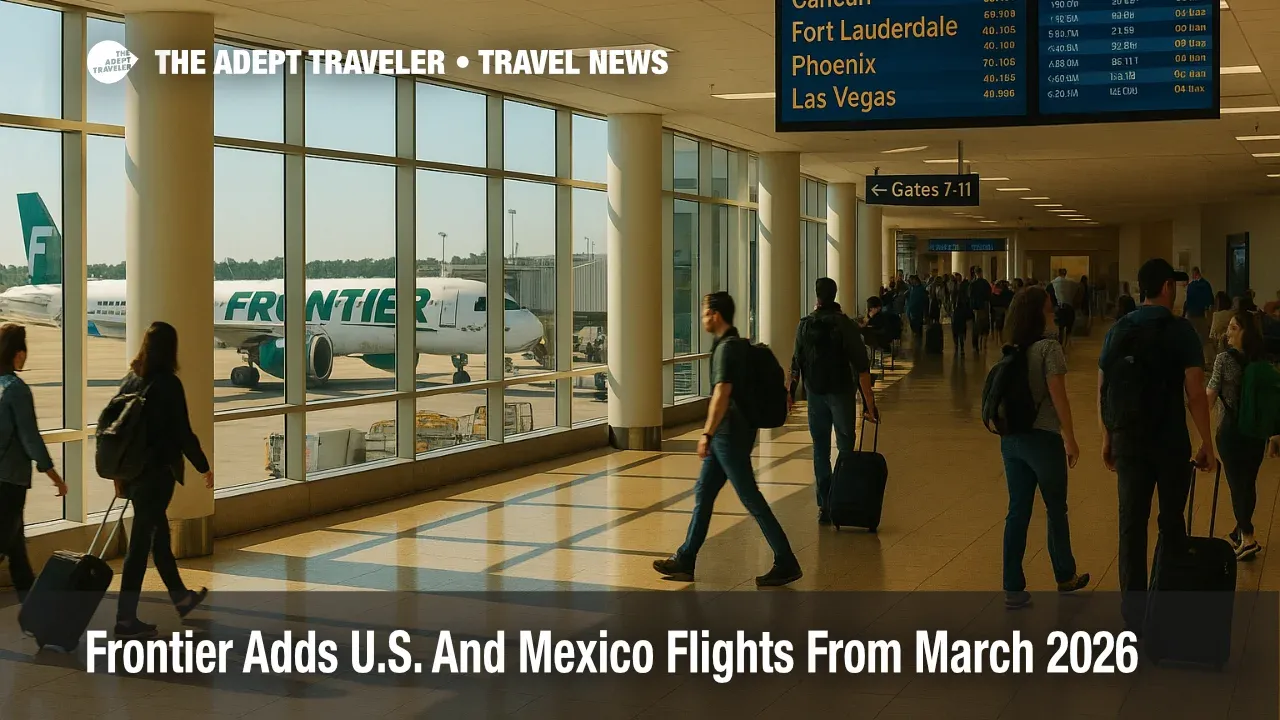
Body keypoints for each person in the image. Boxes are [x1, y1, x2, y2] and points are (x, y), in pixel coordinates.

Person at [1098, 259, 1215, 634]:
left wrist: (1107, 438)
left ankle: (1132, 616)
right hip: (1169, 444)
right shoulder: (1181, 332)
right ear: (1167, 287)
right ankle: (1166, 608)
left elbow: (1104, 389)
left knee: (1131, 525)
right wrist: (1207, 442)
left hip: (1129, 441)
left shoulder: (1119, 330)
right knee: (1171, 524)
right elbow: (1196, 394)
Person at [655, 292, 802, 587]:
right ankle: (686, 558)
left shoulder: (726, 349)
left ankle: (786, 560)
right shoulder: (740, 345)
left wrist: (706, 433)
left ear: (716, 315)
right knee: (704, 493)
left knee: (750, 497)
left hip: (728, 434)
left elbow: (722, 393)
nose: (703, 317)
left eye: (705, 312)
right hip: (738, 430)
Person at [114, 321, 213, 640]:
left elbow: (116, 431)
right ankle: (125, 619)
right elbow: (183, 433)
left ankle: (181, 598)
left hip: (132, 473)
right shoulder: (168, 384)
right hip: (156, 476)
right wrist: (203, 466)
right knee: (141, 545)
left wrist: (118, 475)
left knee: (157, 538)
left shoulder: (132, 379)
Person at [1000, 288, 1090, 609]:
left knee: (1018, 510)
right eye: (1049, 309)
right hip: (1043, 439)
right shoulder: (1049, 348)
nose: (1054, 313)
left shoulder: (1012, 348)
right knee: (1056, 507)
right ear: (1039, 313)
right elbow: (1058, 397)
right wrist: (1070, 436)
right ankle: (1064, 574)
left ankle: (1012, 585)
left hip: (1011, 440)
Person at [789, 279, 880, 525]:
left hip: (815, 394)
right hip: (841, 393)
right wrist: (870, 406)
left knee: (819, 448)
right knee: (845, 447)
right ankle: (844, 499)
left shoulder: (805, 324)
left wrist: (790, 393)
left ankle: (825, 505)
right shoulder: (846, 325)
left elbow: (796, 362)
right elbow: (862, 367)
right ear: (835, 294)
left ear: (817, 296)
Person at [0, 324, 66, 604]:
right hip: (9, 479)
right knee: (6, 542)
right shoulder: (16, 389)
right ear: (17, 354)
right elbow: (30, 439)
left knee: (16, 547)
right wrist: (55, 476)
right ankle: (35, 609)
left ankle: (34, 609)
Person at [1206, 310, 1269, 561]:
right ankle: (1240, 532)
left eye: (1232, 328)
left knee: (1237, 485)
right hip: (1256, 432)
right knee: (1247, 483)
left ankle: (1249, 536)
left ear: (1244, 332)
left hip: (1231, 432)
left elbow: (1210, 396)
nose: (1226, 333)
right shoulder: (1262, 361)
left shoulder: (1223, 360)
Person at [1184, 266, 1214, 348]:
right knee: (1203, 338)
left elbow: (1188, 300)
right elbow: (1210, 300)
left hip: (1191, 313)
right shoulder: (1206, 285)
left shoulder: (1191, 286)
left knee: (1191, 336)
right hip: (1201, 313)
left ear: (1194, 274)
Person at [1050, 269, 1080, 346]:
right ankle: (1066, 344)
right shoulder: (1071, 282)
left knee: (1060, 327)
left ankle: (1060, 344)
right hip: (1069, 307)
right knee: (1069, 327)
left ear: (1058, 273)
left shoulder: (1053, 283)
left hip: (1059, 307)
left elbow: (1050, 295)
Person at [969, 268, 992, 351]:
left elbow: (971, 297)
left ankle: (975, 346)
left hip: (977, 308)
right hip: (985, 307)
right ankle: (983, 344)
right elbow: (989, 295)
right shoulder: (985, 283)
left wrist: (972, 308)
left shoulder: (973, 284)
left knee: (976, 327)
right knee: (985, 326)